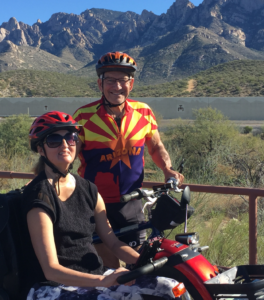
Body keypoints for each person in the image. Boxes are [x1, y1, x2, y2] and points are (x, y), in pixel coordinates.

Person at [22, 111, 179, 300]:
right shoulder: (39, 197)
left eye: (70, 138)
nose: (65, 145)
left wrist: (145, 262)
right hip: (52, 286)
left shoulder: (88, 189)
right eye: (54, 140)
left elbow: (112, 241)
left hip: (92, 276)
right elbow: (51, 270)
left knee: (169, 287)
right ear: (41, 149)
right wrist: (102, 281)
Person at [73, 51, 184, 269]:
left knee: (141, 266)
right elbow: (68, 156)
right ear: (100, 83)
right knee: (110, 271)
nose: (117, 86)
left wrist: (168, 170)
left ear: (130, 84)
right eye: (110, 80)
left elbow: (156, 146)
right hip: (95, 204)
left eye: (123, 80)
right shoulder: (83, 117)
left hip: (132, 203)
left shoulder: (144, 111)